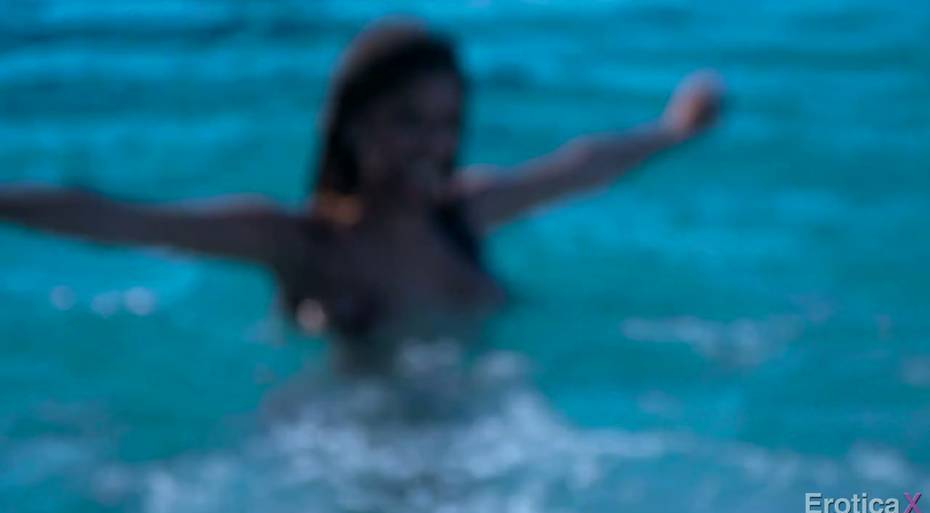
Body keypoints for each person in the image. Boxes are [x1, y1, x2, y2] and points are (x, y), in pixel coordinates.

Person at [0, 20, 721, 372]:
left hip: (493, 449)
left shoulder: (464, 216)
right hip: (345, 456)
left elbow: (579, 167)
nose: (430, 145)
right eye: (407, 121)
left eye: (446, 124)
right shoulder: (303, 242)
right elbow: (125, 220)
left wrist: (672, 130)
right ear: (353, 126)